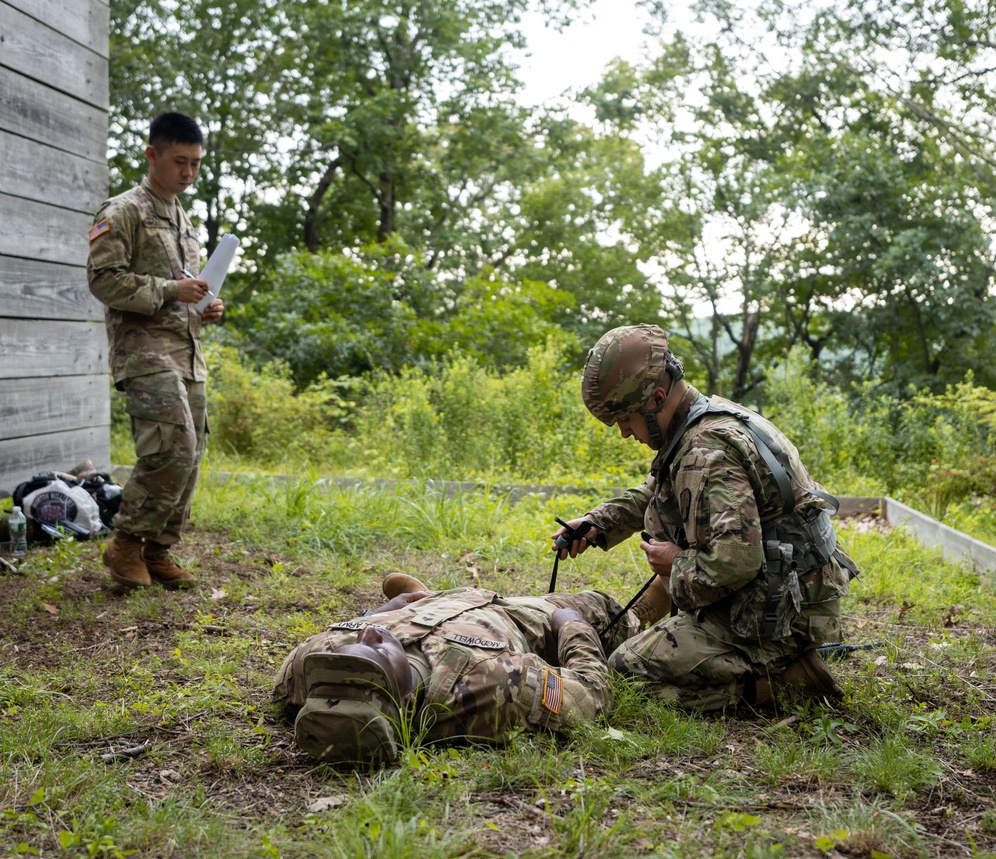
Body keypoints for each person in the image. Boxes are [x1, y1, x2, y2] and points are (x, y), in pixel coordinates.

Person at [552, 323, 860, 712]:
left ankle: (786, 682)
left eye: (626, 421)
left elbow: (736, 561)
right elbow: (658, 491)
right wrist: (600, 522)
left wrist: (675, 562)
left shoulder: (705, 449)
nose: (626, 434)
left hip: (780, 615)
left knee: (626, 671)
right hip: (785, 593)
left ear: (657, 397)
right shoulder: (703, 420)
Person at [272, 571, 672, 765]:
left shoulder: (312, 668)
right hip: (515, 621)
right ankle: (638, 615)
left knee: (395, 613)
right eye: (378, 653)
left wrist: (388, 610)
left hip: (429, 607)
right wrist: (571, 627)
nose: (369, 638)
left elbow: (351, 634)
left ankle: (424, 592)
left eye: (353, 647)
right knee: (594, 605)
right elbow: (591, 692)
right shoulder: (495, 687)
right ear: (403, 696)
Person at [87, 112, 224, 589]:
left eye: (196, 164)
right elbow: (103, 280)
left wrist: (205, 306)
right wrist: (171, 290)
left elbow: (186, 288)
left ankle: (158, 551)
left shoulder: (184, 220)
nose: (188, 173)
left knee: (192, 452)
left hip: (187, 351)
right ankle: (125, 544)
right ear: (152, 155)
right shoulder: (122, 210)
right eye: (180, 161)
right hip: (143, 352)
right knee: (172, 446)